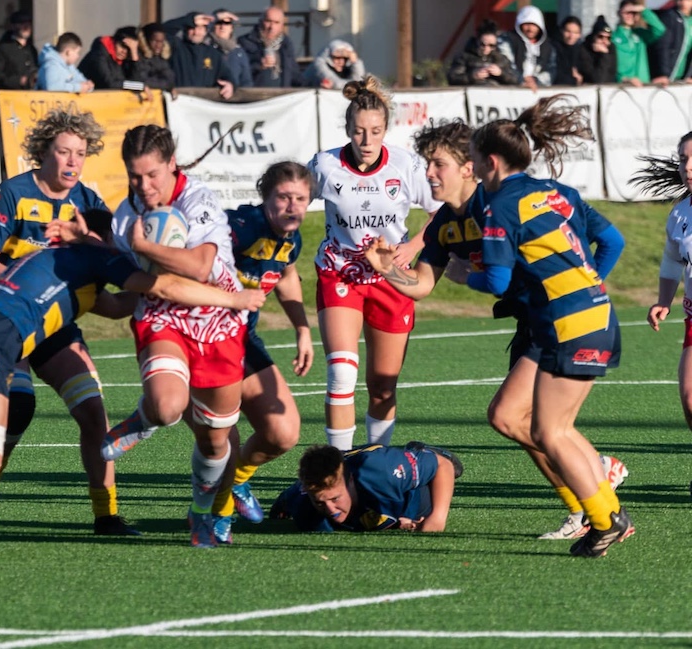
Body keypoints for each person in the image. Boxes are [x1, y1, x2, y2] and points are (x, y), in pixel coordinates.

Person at [0, 210, 266, 565]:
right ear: (104, 239)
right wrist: (233, 298)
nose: (125, 249)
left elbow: (118, 305)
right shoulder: (94, 254)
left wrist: (149, 280)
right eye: (120, 241)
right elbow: (164, 285)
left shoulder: (67, 263)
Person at [365, 118, 629, 540]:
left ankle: (593, 497)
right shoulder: (443, 225)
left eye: (438, 164)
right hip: (537, 322)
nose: (428, 174)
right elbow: (423, 285)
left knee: (513, 417)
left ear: (469, 167)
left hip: (557, 320)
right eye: (425, 165)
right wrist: (385, 271)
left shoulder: (496, 205)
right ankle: (591, 490)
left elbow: (493, 278)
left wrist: (584, 286)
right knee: (514, 420)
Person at [466, 95, 633, 557]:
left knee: (549, 433)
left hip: (567, 322)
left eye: (475, 159)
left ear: (492, 162)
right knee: (557, 428)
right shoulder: (558, 192)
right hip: (600, 314)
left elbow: (498, 281)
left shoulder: (502, 206)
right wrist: (590, 281)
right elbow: (612, 240)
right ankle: (609, 512)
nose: (473, 167)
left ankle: (605, 520)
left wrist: (464, 275)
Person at [0, 109, 137, 538]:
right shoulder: (10, 195)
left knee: (94, 412)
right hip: (7, 321)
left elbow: (107, 287)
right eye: (63, 151)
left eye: (80, 153)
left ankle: (106, 516)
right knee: (18, 408)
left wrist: (154, 288)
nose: (72, 162)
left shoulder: (90, 205)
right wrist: (31, 284)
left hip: (56, 325)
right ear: (42, 153)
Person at [101, 125, 250, 548]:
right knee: (168, 408)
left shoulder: (198, 199)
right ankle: (144, 419)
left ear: (172, 165)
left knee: (216, 439)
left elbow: (200, 268)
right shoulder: (125, 214)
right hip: (163, 317)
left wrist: (145, 249)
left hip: (218, 321)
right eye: (134, 176)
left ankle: (200, 512)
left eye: (152, 175)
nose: (144, 186)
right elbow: (127, 267)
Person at [308, 76, 439, 453]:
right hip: (340, 272)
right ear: (347, 129)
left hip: (391, 277)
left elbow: (441, 213)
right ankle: (338, 466)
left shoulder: (406, 165)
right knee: (341, 373)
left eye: (376, 132)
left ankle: (373, 464)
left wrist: (413, 246)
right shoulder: (325, 165)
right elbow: (293, 196)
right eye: (359, 132)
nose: (367, 141)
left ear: (386, 130)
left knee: (383, 385)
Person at [210, 161, 314, 543]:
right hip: (203, 340)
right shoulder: (239, 228)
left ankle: (236, 481)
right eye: (283, 197)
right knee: (224, 433)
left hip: (243, 340)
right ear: (265, 197)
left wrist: (302, 329)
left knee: (282, 433)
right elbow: (201, 255)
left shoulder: (292, 237)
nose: (292, 206)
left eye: (300, 199)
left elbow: (285, 275)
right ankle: (216, 512)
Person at [638, 131, 692, 456]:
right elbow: (672, 260)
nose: (688, 167)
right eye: (684, 159)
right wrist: (663, 301)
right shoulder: (680, 214)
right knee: (689, 398)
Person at [269, 443, 459, 533]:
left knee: (446, 469)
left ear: (350, 480)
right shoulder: (304, 508)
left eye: (335, 499)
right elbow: (286, 502)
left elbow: (443, 466)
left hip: (413, 495)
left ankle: (419, 452)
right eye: (319, 502)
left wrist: (437, 519)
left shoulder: (381, 472)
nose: (330, 510)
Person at [163, 12, 235, 99]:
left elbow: (227, 76)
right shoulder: (176, 48)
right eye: (192, 28)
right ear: (185, 30)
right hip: (179, 103)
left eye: (200, 28)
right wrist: (189, 20)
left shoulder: (213, 54)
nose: (196, 32)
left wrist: (231, 85)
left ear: (205, 31)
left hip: (203, 106)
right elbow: (162, 31)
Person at [238, 5, 300, 88]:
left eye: (276, 22)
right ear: (261, 21)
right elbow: (237, 72)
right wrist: (259, 66)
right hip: (254, 95)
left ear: (282, 26)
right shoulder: (244, 42)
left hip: (282, 95)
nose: (272, 27)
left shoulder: (286, 44)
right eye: (268, 21)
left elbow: (294, 73)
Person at [498, 4, 557, 90]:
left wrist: (536, 80)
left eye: (534, 25)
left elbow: (551, 70)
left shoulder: (548, 47)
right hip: (511, 88)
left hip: (538, 90)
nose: (530, 29)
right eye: (526, 24)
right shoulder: (507, 40)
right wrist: (521, 79)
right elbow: (505, 63)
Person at [446, 20, 519, 87]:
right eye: (482, 44)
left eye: (491, 45)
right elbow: (452, 78)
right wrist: (473, 76)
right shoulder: (464, 57)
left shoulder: (502, 59)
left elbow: (516, 79)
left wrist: (501, 73)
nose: (486, 48)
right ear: (477, 41)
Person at [612, 0, 665, 86]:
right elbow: (610, 64)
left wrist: (643, 10)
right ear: (619, 13)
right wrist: (623, 78)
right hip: (622, 85)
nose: (630, 15)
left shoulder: (640, 34)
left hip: (642, 84)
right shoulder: (612, 37)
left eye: (633, 13)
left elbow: (659, 29)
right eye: (627, 12)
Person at [77, 26, 144, 90]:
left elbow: (137, 82)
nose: (124, 51)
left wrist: (134, 54)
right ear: (115, 41)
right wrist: (138, 86)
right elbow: (109, 83)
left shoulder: (125, 59)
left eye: (129, 49)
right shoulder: (99, 55)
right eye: (123, 46)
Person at [649, 0, 692, 84]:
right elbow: (663, 47)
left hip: (685, 77)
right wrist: (663, 73)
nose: (682, 2)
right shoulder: (670, 17)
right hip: (669, 75)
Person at [0, 11, 38, 90]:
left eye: (28, 24)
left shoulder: (32, 49)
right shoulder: (2, 49)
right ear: (13, 26)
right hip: (10, 95)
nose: (26, 27)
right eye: (22, 24)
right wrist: (19, 81)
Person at [208, 9, 252, 88]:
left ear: (231, 27)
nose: (222, 27)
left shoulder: (239, 53)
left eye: (226, 23)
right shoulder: (205, 48)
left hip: (235, 98)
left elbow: (246, 81)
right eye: (218, 23)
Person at [576, 16, 618, 86]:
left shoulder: (611, 48)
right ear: (594, 36)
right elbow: (598, 79)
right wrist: (604, 55)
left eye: (608, 38)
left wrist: (605, 54)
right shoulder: (583, 49)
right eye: (600, 37)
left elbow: (611, 74)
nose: (604, 41)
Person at [135, 23, 175, 92]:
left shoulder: (161, 59)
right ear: (146, 40)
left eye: (161, 41)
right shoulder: (137, 57)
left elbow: (170, 80)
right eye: (155, 41)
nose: (158, 45)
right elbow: (141, 80)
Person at [553, 15, 584, 86]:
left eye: (576, 32)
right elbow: (554, 74)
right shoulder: (553, 49)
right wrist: (575, 79)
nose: (571, 36)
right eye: (568, 31)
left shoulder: (582, 50)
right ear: (561, 31)